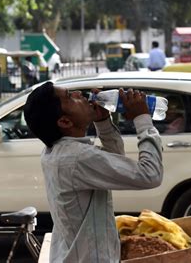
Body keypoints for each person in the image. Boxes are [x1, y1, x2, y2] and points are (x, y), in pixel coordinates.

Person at [23, 82, 163, 262]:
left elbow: (114, 164)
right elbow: (150, 175)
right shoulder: (77, 157)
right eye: (69, 97)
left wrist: (103, 122)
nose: (79, 94)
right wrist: (142, 119)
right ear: (65, 121)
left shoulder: (57, 151)